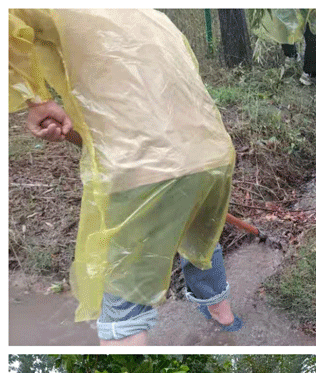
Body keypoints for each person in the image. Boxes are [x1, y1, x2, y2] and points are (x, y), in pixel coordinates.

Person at [9, 9, 242, 345]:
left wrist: (35, 99)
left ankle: (127, 364)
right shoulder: (150, 13)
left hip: (143, 167)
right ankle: (226, 320)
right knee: (198, 238)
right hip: (212, 156)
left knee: (124, 303)